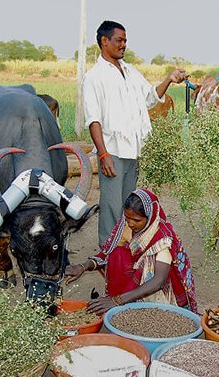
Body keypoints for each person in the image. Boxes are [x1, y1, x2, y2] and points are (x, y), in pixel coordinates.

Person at [82, 20, 188, 247]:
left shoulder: (130, 71)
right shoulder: (94, 77)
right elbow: (93, 120)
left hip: (134, 149)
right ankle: (107, 254)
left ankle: (124, 249)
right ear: (104, 41)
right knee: (111, 205)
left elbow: (150, 97)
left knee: (128, 204)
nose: (123, 45)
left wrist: (169, 78)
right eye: (119, 40)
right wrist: (103, 154)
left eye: (125, 41)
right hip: (113, 151)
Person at [65, 188, 197, 315]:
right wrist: (83, 266)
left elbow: (158, 280)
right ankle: (126, 302)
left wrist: (117, 300)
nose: (130, 224)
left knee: (147, 261)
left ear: (150, 217)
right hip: (129, 291)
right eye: (127, 218)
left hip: (156, 295)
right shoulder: (125, 226)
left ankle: (140, 308)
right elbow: (106, 253)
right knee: (118, 252)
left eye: (136, 220)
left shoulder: (162, 238)